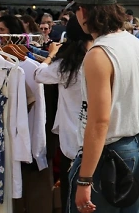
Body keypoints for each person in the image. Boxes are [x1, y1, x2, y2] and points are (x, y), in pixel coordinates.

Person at [69, 0, 139, 213]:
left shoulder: (99, 53)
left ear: (83, 11)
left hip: (107, 153)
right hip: (133, 145)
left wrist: (84, 179)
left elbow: (99, 121)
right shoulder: (134, 43)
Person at [34, 15, 92, 213]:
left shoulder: (64, 66)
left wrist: (51, 54)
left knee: (71, 197)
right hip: (97, 139)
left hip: (71, 142)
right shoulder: (99, 59)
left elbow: (38, 75)